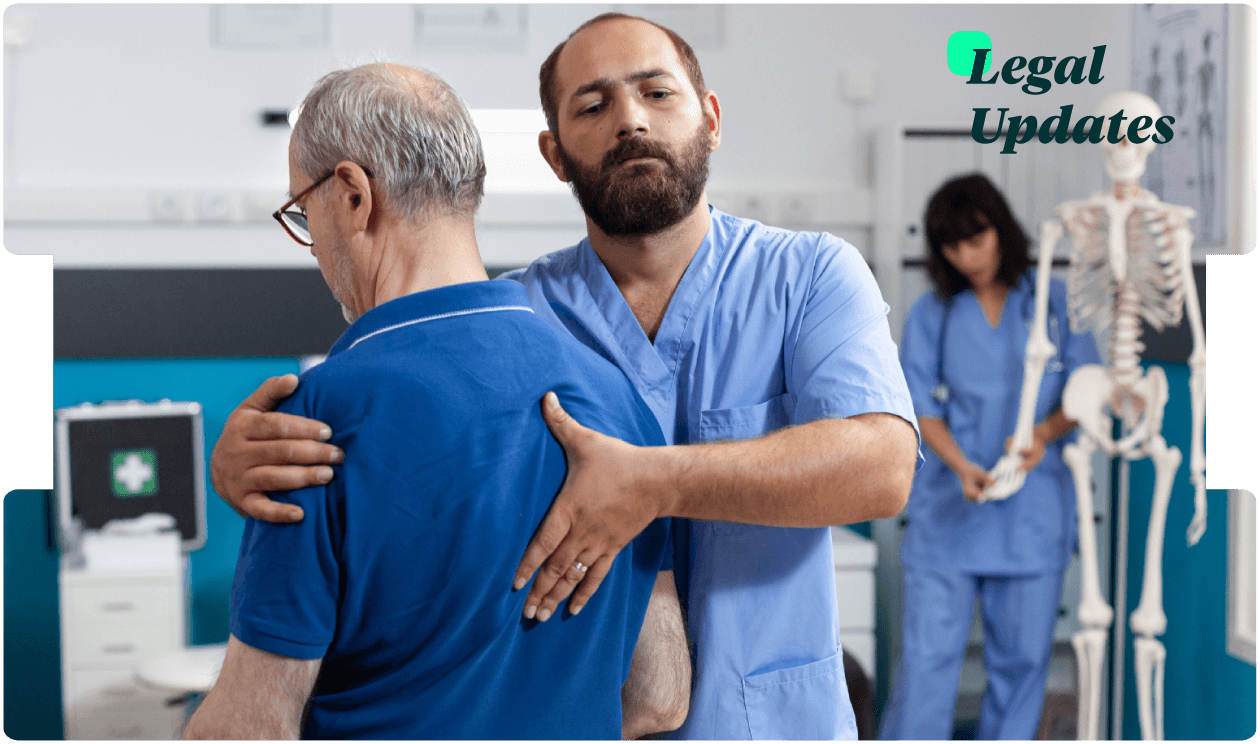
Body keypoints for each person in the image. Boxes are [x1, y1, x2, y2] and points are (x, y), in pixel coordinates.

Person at [210, 14, 920, 740]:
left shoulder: (810, 278)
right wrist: (248, 462)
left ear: (709, 119)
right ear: (553, 154)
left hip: (769, 719)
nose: (631, 121)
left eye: (656, 93)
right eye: (593, 105)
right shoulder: (523, 318)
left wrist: (653, 480)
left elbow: (883, 468)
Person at [181, 62, 686, 741]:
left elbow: (249, 727)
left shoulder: (314, 427)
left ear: (354, 195)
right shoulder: (619, 401)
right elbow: (660, 696)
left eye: (305, 213)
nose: (314, 246)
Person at [878, 173, 1101, 741]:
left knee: (1021, 668)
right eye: (952, 246)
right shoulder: (934, 314)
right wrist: (960, 466)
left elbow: (1085, 386)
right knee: (927, 667)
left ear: (1000, 229)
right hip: (951, 511)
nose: (966, 255)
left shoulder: (1052, 301)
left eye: (975, 239)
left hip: (1032, 511)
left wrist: (1043, 436)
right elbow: (919, 405)